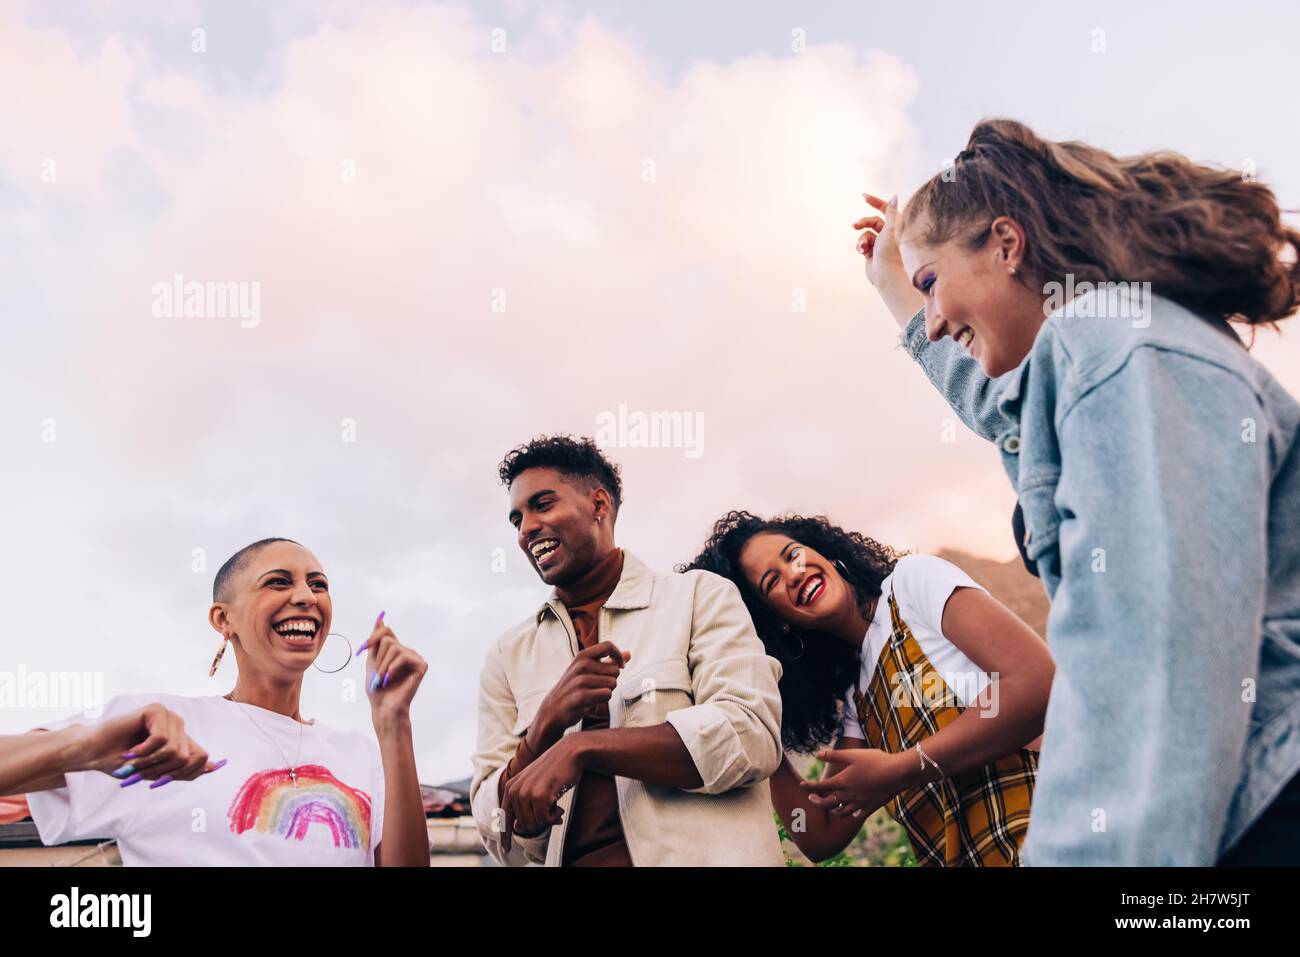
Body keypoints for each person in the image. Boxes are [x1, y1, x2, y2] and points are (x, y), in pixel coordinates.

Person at [855, 117, 1300, 865]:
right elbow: (1008, 410)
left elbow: (1153, 658)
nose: (931, 325)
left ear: (1006, 242)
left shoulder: (1111, 348)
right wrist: (894, 290)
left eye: (933, 284)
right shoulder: (1107, 346)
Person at [7, 537, 430, 866]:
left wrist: (394, 722)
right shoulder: (162, 727)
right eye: (279, 581)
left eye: (318, 585)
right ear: (223, 619)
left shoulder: (360, 753)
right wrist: (84, 747)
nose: (307, 596)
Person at [470, 435, 785, 866]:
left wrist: (582, 747)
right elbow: (496, 833)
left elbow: (750, 735)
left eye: (542, 505)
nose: (526, 529)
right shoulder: (507, 656)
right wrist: (544, 727)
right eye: (516, 519)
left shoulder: (697, 597)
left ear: (599, 505)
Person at [681, 511, 1052, 865]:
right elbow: (819, 833)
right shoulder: (859, 699)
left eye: (792, 554)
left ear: (822, 550)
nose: (793, 574)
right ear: (775, 623)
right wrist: (755, 719)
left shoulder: (911, 586)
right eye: (772, 581)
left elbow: (1036, 682)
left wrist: (903, 768)